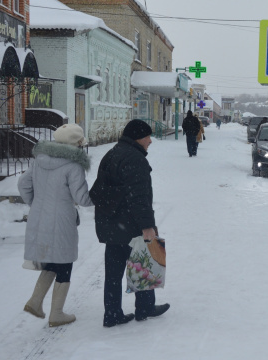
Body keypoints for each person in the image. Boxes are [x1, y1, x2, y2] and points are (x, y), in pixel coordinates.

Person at [90, 119, 170, 328]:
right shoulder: (135, 159)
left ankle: (112, 313)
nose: (151, 141)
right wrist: (147, 227)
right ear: (138, 137)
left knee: (113, 274)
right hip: (131, 225)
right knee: (144, 263)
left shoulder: (112, 153)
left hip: (112, 225)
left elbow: (98, 192)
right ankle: (145, 308)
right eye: (148, 136)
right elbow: (139, 197)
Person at [19, 123, 94, 327]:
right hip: (62, 219)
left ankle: (35, 302)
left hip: (39, 216)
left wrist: (36, 203)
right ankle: (57, 314)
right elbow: (82, 198)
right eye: (81, 141)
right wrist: (99, 196)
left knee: (53, 260)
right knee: (65, 263)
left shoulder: (39, 160)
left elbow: (23, 184)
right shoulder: (73, 165)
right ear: (76, 143)